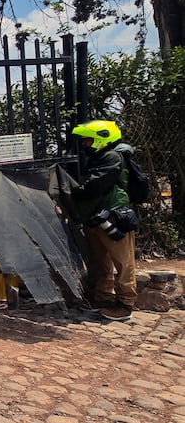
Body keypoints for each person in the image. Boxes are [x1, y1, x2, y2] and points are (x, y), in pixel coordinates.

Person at [69, 120, 137, 321]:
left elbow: (95, 184)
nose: (84, 145)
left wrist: (75, 192)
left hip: (113, 216)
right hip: (95, 218)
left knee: (123, 262)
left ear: (100, 138)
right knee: (101, 262)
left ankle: (125, 304)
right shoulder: (99, 158)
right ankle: (103, 299)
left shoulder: (112, 157)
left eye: (88, 141)